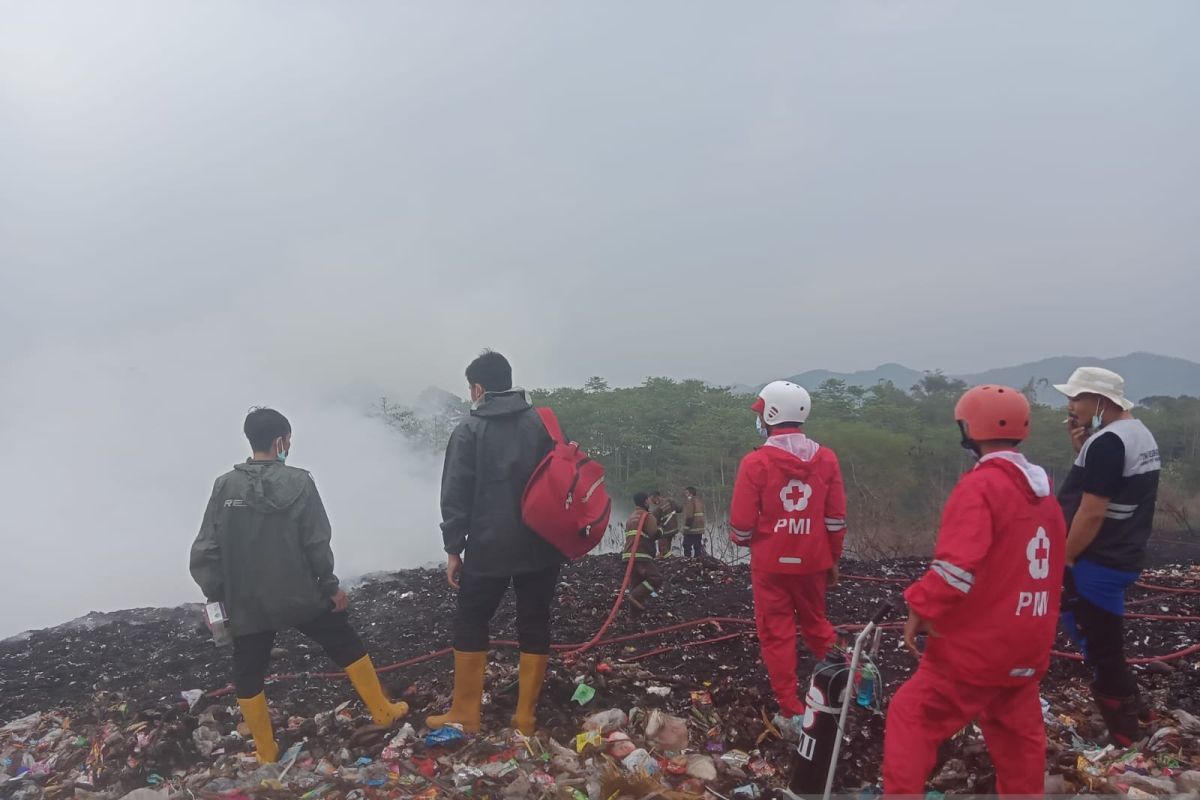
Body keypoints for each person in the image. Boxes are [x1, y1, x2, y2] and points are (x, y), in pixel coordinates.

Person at [190, 408, 408, 764]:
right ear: (280, 441)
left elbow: (206, 549)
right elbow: (316, 542)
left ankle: (265, 751)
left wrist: (216, 597)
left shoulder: (224, 486)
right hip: (301, 595)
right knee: (345, 642)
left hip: (247, 603)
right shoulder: (301, 482)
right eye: (289, 440)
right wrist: (330, 586)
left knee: (248, 669)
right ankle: (383, 711)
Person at [882, 385, 1066, 796]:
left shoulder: (981, 488)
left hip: (977, 650)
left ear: (970, 429)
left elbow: (954, 571)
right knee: (1018, 739)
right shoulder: (1046, 497)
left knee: (912, 716)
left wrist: (919, 605)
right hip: (1028, 643)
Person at [429, 351, 563, 736]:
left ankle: (466, 714)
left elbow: (454, 495)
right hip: (543, 544)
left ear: (477, 388)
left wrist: (454, 550)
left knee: (472, 620)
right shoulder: (543, 423)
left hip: (489, 547)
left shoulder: (468, 430)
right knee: (534, 621)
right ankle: (525, 718)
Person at [1054, 367, 1161, 745]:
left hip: (1095, 561)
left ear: (1101, 401)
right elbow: (1109, 487)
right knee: (1104, 640)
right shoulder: (1137, 434)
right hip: (1121, 554)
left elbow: (1093, 510)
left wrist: (1064, 559)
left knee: (1098, 647)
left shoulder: (1108, 444)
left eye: (1077, 397)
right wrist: (1082, 448)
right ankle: (1140, 708)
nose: (1070, 405)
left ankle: (1126, 736)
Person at [728, 381, 847, 720]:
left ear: (770, 414)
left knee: (776, 634)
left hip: (770, 566)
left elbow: (741, 525)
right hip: (814, 561)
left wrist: (746, 540)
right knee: (818, 625)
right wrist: (832, 558)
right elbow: (836, 519)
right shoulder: (826, 459)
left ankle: (791, 708)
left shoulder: (756, 462)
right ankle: (850, 685)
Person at [623, 492, 663, 612]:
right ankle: (633, 597)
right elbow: (654, 534)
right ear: (646, 501)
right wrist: (661, 529)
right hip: (641, 554)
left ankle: (632, 618)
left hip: (628, 555)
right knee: (655, 578)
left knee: (635, 584)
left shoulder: (631, 517)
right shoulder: (647, 516)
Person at [652, 491, 683, 558]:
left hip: (664, 531)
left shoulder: (657, 509)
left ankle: (670, 560)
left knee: (663, 550)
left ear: (656, 497)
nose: (652, 502)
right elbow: (680, 509)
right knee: (667, 547)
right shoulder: (670, 501)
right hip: (673, 529)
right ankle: (669, 560)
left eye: (652, 499)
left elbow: (654, 522)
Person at [682, 486, 706, 558]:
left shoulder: (690, 501)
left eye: (686, 493)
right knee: (697, 545)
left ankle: (687, 560)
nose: (685, 495)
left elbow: (689, 516)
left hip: (692, 528)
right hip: (700, 528)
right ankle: (698, 559)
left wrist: (686, 528)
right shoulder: (700, 501)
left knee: (686, 545)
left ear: (691, 494)